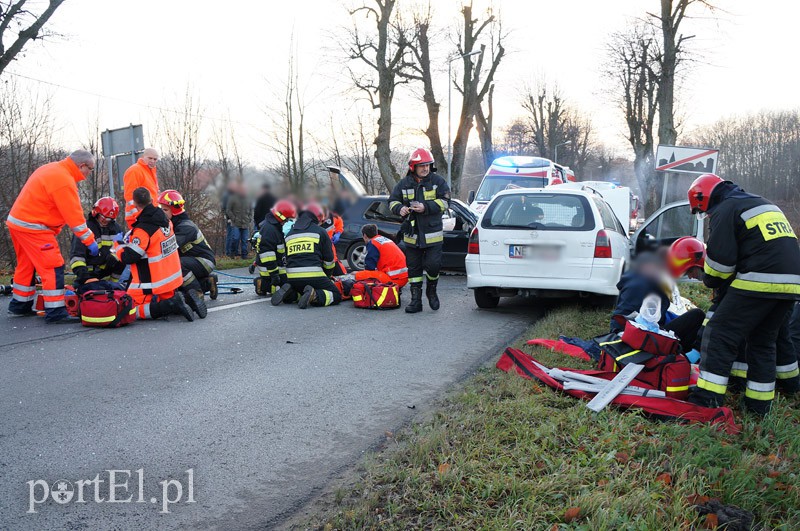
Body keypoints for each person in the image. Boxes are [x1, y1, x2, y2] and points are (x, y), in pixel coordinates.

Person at [687, 173, 800, 415]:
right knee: (763, 341)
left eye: (701, 211)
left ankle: (707, 399)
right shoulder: (759, 202)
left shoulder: (725, 210)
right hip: (792, 284)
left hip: (759, 280)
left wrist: (710, 280)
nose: (705, 216)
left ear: (703, 198)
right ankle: (759, 408)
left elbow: (720, 265)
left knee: (719, 333)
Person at [6, 149, 99, 323]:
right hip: (34, 227)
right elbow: (75, 218)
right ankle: (55, 311)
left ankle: (19, 305)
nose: (90, 173)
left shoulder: (53, 169)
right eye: (91, 169)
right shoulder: (63, 180)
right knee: (53, 265)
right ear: (82, 165)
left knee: (27, 265)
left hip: (19, 223)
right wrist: (89, 241)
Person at [114, 187, 194, 321]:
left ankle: (170, 305)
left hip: (150, 282)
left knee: (129, 310)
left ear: (134, 204)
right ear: (151, 200)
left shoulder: (143, 230)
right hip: (171, 278)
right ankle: (181, 301)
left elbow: (129, 257)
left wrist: (118, 245)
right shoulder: (166, 220)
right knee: (165, 297)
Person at [388, 148, 450, 313]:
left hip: (432, 235)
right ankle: (416, 301)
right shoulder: (403, 184)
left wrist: (426, 207)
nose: (425, 168)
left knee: (433, 266)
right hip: (412, 236)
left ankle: (432, 290)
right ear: (413, 167)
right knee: (413, 269)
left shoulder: (438, 182)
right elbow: (392, 201)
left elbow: (446, 202)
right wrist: (399, 208)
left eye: (428, 165)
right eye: (421, 165)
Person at [271, 202, 342, 309]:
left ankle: (291, 294)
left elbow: (286, 259)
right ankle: (315, 296)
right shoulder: (321, 232)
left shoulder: (289, 234)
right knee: (336, 295)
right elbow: (329, 261)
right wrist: (327, 277)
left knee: (302, 290)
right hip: (314, 276)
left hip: (292, 278)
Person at [157, 190, 214, 318]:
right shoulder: (174, 224)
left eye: (165, 210)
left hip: (204, 261)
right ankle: (207, 282)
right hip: (194, 260)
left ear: (174, 211)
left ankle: (197, 293)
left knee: (176, 265)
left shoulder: (185, 227)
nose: (162, 213)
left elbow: (170, 247)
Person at [69, 197, 126, 287]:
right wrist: (87, 278)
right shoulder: (85, 230)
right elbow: (76, 259)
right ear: (96, 213)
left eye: (109, 219)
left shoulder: (116, 229)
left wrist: (114, 283)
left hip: (108, 276)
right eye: (103, 217)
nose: (105, 221)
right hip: (87, 276)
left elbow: (122, 256)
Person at [254, 199, 296, 296]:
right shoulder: (270, 229)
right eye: (287, 219)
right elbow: (267, 254)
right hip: (270, 269)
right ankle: (263, 284)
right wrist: (274, 275)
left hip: (275, 265)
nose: (286, 222)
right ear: (281, 216)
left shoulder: (274, 226)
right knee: (289, 288)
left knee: (291, 281)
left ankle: (266, 284)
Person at [123, 148, 159, 224]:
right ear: (143, 157)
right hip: (138, 218)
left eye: (155, 159)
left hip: (149, 216)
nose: (152, 161)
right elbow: (130, 196)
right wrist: (137, 215)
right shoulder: (134, 171)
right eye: (150, 158)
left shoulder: (150, 171)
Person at [224, 180, 252, 258]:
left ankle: (244, 255)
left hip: (245, 222)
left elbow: (251, 209)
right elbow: (228, 210)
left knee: (245, 240)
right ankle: (233, 253)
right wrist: (234, 218)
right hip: (236, 223)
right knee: (235, 238)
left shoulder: (248, 199)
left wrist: (249, 218)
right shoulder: (233, 198)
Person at [321, 207, 346, 275]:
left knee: (340, 274)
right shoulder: (311, 216)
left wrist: (338, 233)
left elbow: (339, 223)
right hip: (316, 249)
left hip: (329, 248)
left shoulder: (332, 216)